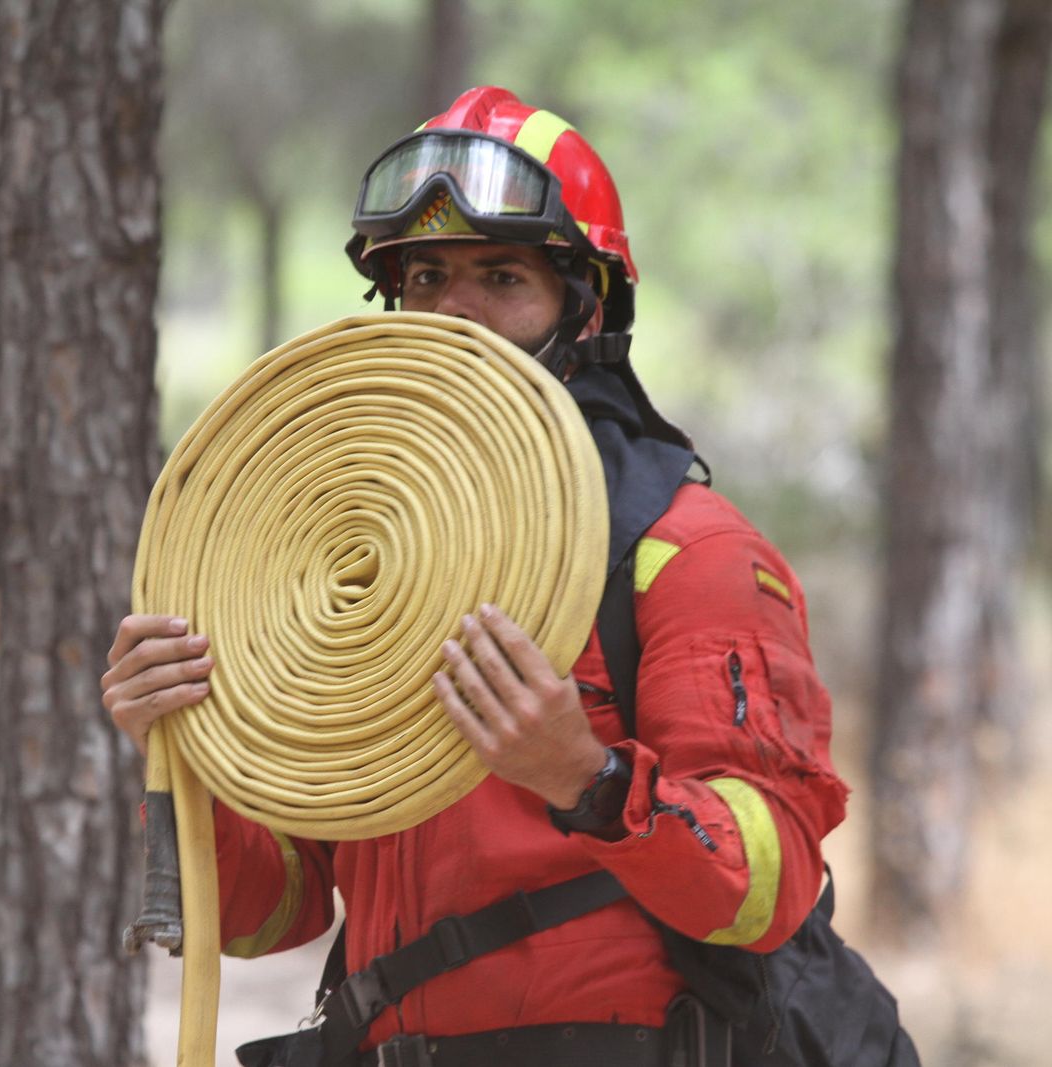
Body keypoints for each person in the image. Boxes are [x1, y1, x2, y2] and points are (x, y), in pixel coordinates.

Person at [103, 86, 850, 1064]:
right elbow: (264, 914)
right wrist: (177, 753)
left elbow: (767, 888)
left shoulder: (682, 553)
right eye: (424, 277)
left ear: (584, 311)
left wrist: (588, 778)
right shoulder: (354, 571)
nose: (452, 315)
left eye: (502, 277)